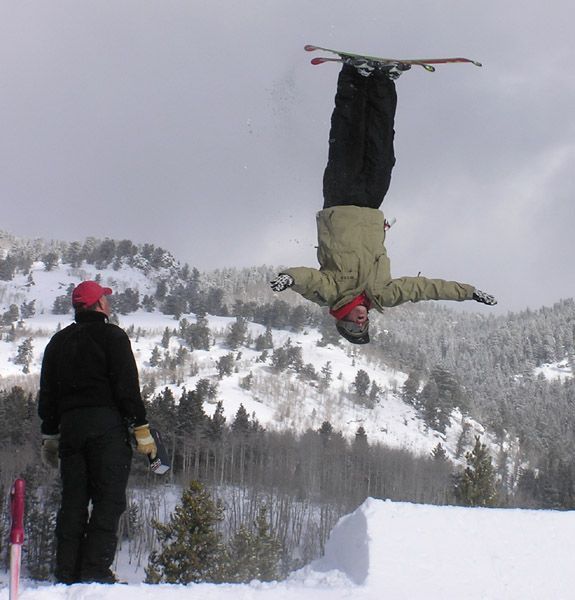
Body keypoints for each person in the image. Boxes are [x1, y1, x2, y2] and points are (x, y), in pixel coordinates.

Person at [270, 60, 497, 344]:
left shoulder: (330, 292)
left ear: (342, 318)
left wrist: (287, 278)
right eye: (364, 327)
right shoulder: (383, 294)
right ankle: (382, 82)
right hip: (371, 208)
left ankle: (354, 75)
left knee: (348, 139)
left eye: (353, 326)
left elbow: (307, 279)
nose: (362, 322)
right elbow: (424, 288)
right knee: (382, 146)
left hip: (339, 202)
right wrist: (469, 292)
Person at [38, 280, 157, 584]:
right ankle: (94, 573)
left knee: (74, 501)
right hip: (106, 427)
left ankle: (66, 574)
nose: (109, 302)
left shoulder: (57, 342)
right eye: (106, 297)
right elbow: (126, 388)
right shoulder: (113, 337)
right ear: (100, 304)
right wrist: (140, 427)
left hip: (70, 430)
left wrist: (50, 435)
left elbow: (48, 393)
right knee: (108, 500)